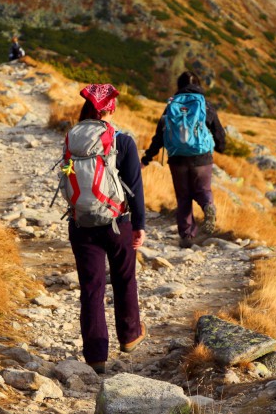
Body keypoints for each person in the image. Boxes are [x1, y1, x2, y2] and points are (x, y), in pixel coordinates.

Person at [63, 84, 147, 374]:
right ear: (110, 108)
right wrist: (139, 225)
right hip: (117, 223)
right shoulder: (122, 140)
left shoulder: (72, 140)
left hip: (81, 223)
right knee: (125, 279)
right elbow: (134, 186)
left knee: (91, 288)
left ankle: (96, 355)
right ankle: (130, 336)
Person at [141, 71, 226, 248]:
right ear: (199, 84)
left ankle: (187, 236)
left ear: (179, 85)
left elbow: (159, 135)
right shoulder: (205, 105)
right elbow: (218, 131)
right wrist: (220, 147)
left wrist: (147, 157)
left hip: (177, 158)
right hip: (201, 156)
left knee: (183, 197)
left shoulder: (172, 105)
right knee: (202, 189)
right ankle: (207, 205)